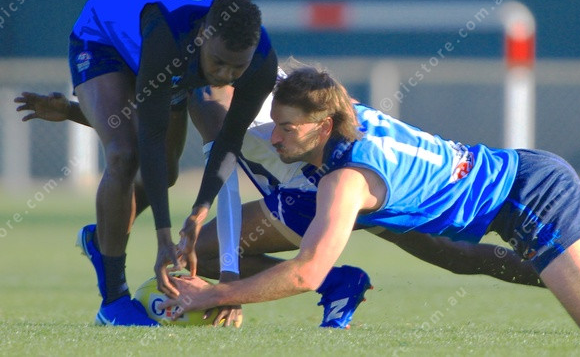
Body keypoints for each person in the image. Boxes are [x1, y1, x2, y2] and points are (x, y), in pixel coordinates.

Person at [161, 60, 580, 335]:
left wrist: (219, 292)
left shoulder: (344, 181)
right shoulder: (346, 115)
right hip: (527, 172)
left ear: (323, 126)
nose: (274, 138)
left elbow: (308, 273)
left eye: (286, 128)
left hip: (529, 196)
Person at [15, 85, 542, 328]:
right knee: (454, 255)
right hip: (328, 177)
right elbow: (151, 129)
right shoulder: (215, 71)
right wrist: (76, 111)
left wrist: (226, 280)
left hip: (317, 187)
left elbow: (221, 172)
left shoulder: (219, 94)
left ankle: (336, 282)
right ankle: (563, 270)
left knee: (200, 253)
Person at [60, 0, 278, 325]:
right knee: (124, 154)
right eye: (218, 62)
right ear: (203, 35)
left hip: (168, 54)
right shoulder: (167, 36)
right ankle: (113, 301)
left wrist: (198, 214)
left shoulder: (262, 61)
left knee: (167, 172)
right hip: (102, 37)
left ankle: (100, 236)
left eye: (237, 67)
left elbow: (228, 141)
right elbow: (149, 135)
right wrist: (163, 237)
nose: (225, 75)